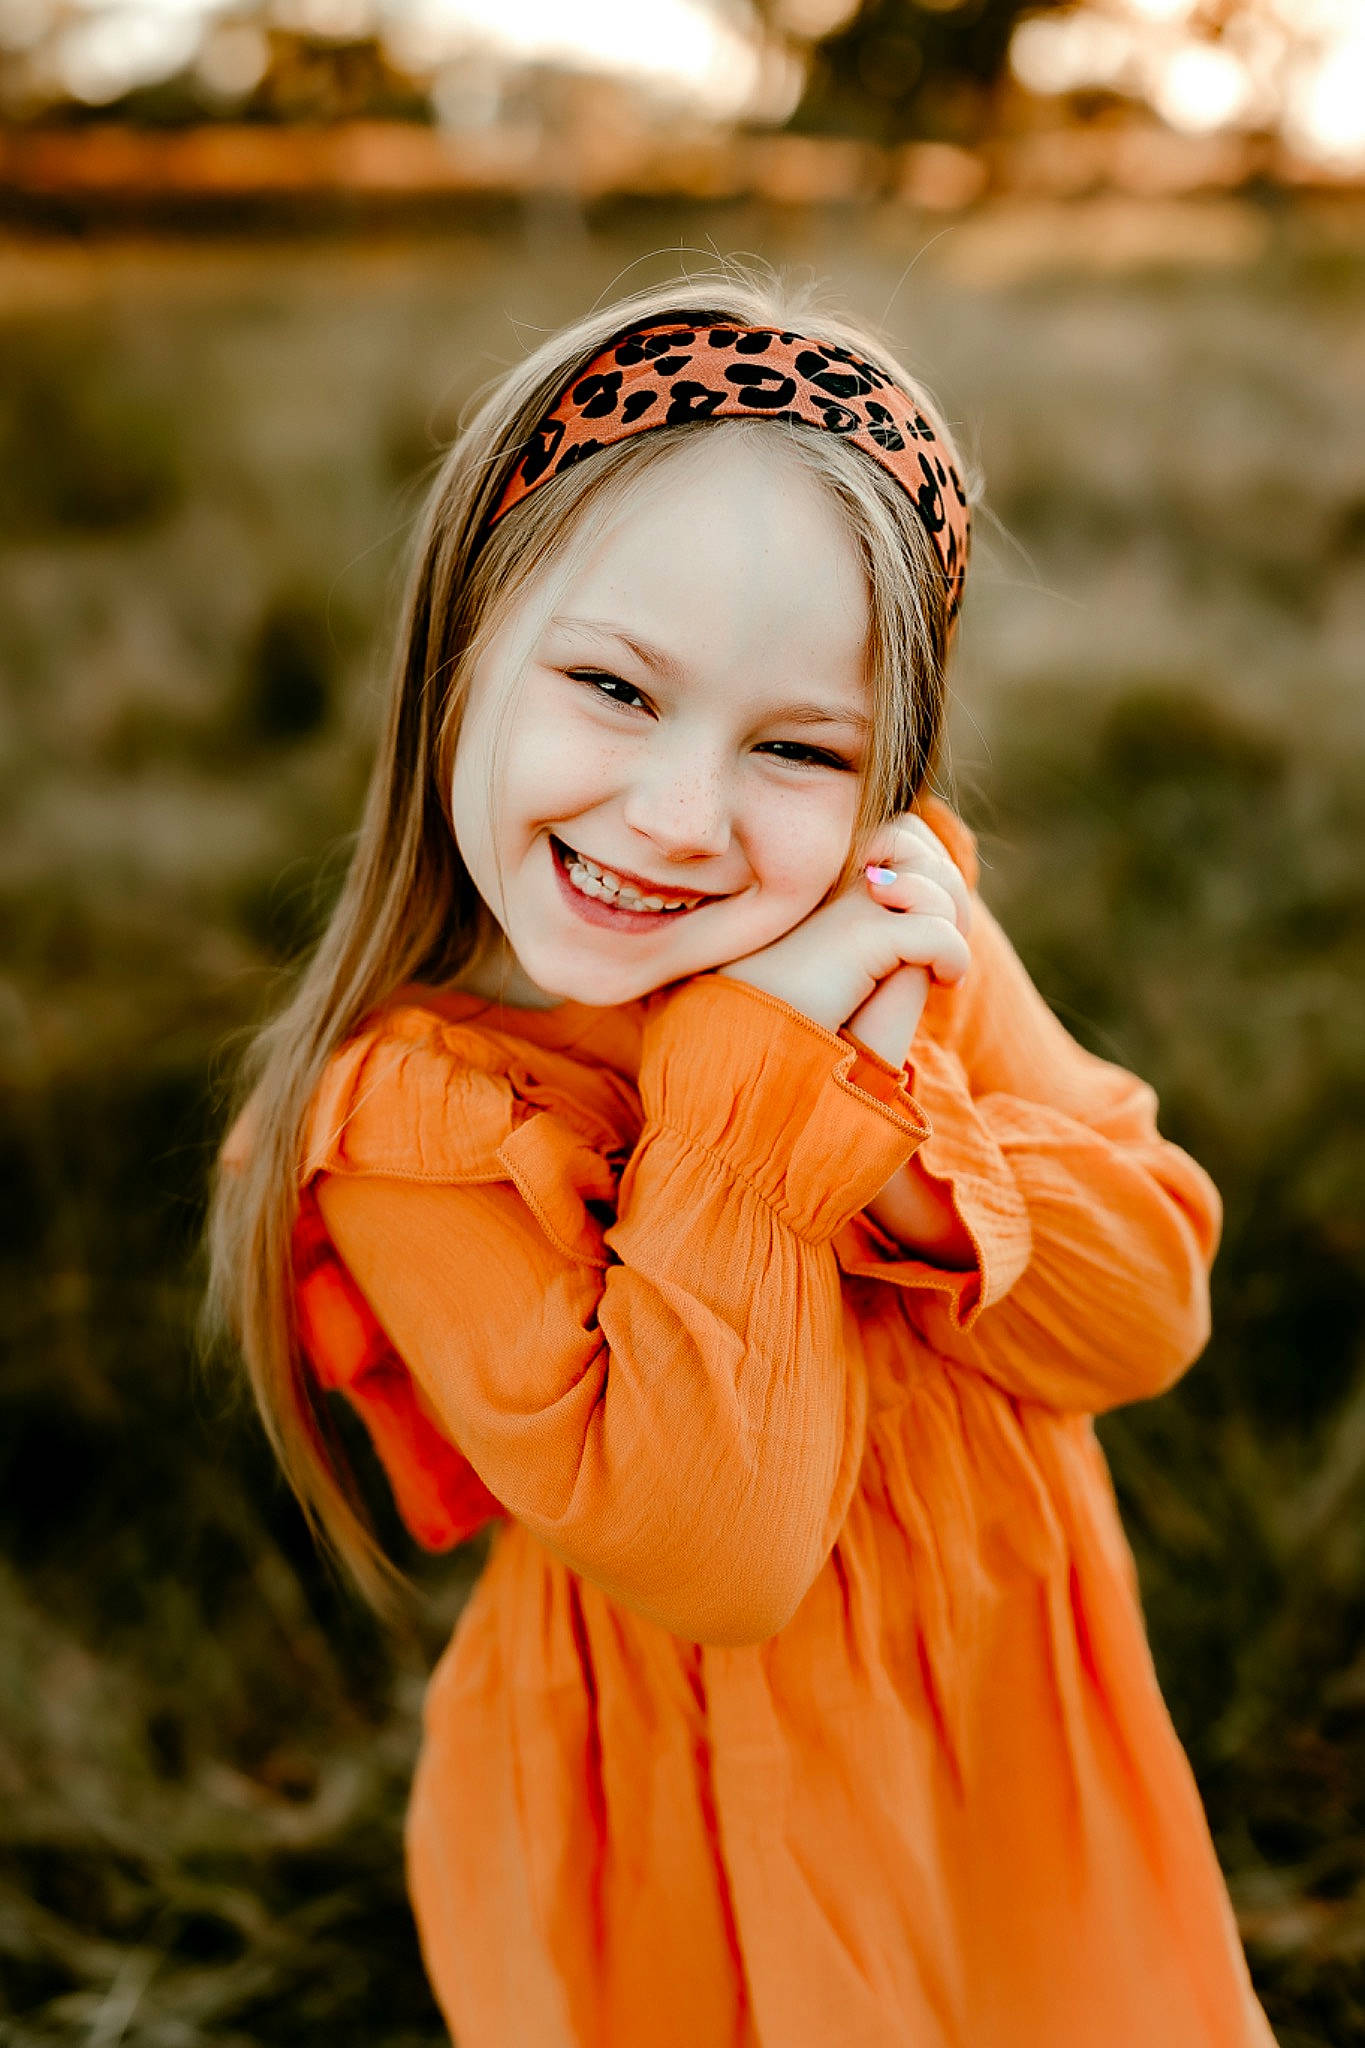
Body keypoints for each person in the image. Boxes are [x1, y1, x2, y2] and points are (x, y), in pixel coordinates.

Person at [207, 270, 1277, 2048]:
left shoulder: (889, 921)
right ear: (461, 641)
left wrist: (899, 1165)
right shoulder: (415, 1118)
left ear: (886, 777)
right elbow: (724, 1548)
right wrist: (755, 1078)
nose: (684, 817)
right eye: (615, 688)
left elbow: (1145, 1315)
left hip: (1008, 1738)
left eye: (796, 748)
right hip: (707, 1830)